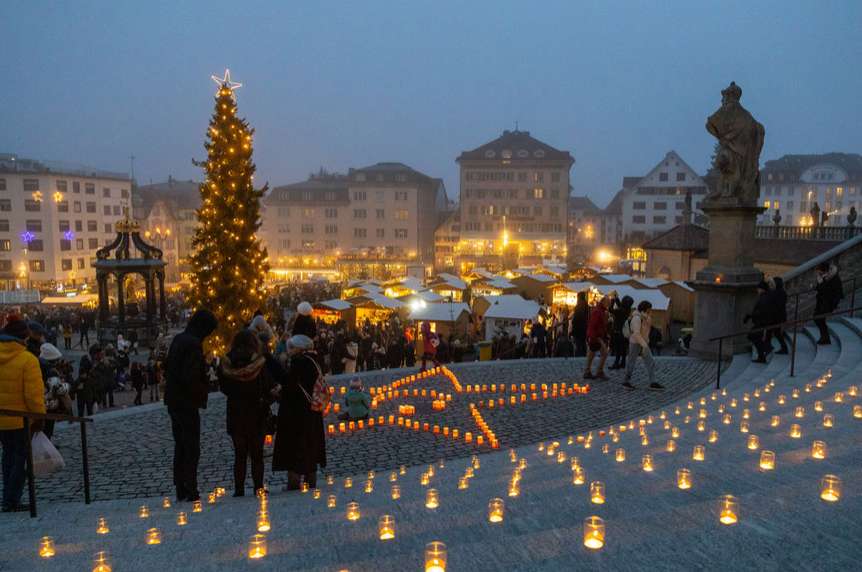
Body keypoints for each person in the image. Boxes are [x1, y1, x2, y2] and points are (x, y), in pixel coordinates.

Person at [163, 308, 218, 503]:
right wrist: (202, 392)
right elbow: (190, 375)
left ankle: (181, 488)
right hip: (186, 402)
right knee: (191, 447)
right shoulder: (194, 344)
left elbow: (168, 366)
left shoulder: (179, 339)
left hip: (173, 400)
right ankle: (191, 489)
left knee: (180, 445)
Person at [219, 329, 276, 497]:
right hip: (256, 412)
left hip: (236, 412)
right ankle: (258, 488)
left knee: (240, 454)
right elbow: (267, 386)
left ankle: (239, 490)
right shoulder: (259, 362)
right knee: (257, 455)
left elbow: (223, 388)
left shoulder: (226, 362)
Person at [0, 315, 45, 513]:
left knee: (8, 456)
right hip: (22, 420)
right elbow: (33, 396)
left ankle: (7, 497)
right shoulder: (28, 360)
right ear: (23, 338)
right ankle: (11, 499)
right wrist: (40, 417)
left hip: (2, 419)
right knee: (22, 459)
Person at [272, 335, 326, 490]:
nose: (289, 351)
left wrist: (269, 361)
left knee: (295, 447)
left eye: (292, 347)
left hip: (297, 413)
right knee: (310, 446)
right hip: (311, 411)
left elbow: (289, 382)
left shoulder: (300, 363)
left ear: (301, 348)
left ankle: (294, 483)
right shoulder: (312, 360)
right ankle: (310, 481)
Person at [622, 301, 664, 391]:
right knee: (631, 362)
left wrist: (646, 342)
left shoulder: (647, 318)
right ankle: (625, 381)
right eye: (649, 309)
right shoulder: (637, 319)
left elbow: (646, 331)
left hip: (643, 343)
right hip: (635, 343)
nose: (650, 310)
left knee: (650, 362)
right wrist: (645, 345)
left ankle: (653, 382)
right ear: (644, 309)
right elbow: (636, 334)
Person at [813, 262, 843, 345]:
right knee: (818, 318)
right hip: (821, 302)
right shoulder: (822, 278)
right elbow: (821, 289)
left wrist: (833, 304)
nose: (818, 273)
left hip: (828, 303)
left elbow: (838, 292)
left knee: (818, 318)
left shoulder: (834, 279)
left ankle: (825, 337)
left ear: (824, 271)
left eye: (819, 272)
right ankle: (825, 337)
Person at [744, 281, 774, 363]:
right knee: (756, 337)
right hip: (761, 321)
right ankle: (761, 356)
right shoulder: (765, 296)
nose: (758, 290)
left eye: (759, 288)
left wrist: (751, 316)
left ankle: (767, 347)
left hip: (761, 321)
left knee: (752, 336)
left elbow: (763, 311)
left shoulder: (765, 298)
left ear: (762, 289)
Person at [583, 296, 611, 380]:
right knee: (603, 353)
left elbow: (601, 325)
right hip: (595, 336)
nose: (609, 305)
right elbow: (593, 325)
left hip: (595, 336)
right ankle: (598, 371)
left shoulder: (600, 311)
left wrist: (605, 334)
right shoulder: (598, 311)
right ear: (603, 302)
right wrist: (592, 338)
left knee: (591, 354)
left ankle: (588, 372)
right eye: (608, 303)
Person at [608, 295, 634, 370]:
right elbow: (620, 306)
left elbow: (610, 309)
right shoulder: (626, 310)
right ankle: (623, 362)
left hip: (617, 331)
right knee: (623, 348)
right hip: (622, 332)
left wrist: (612, 300)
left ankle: (616, 363)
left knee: (618, 349)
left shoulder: (621, 311)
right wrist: (617, 299)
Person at [766, 277, 789, 354]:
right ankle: (769, 346)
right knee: (772, 332)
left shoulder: (779, 293)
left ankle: (783, 348)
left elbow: (778, 306)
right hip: (776, 316)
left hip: (776, 317)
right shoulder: (780, 292)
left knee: (775, 332)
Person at [570, 292, 589, 357]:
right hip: (584, 327)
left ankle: (580, 355)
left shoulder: (579, 305)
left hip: (578, 328)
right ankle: (583, 355)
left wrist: (573, 322)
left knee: (579, 343)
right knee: (583, 342)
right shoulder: (586, 305)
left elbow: (576, 318)